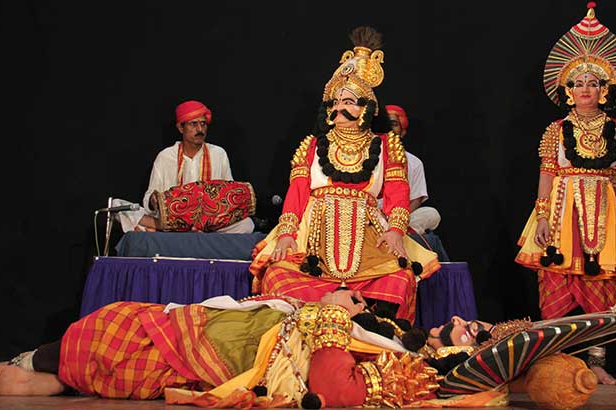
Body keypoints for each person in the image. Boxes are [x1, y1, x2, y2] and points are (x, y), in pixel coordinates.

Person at [514, 2, 616, 385]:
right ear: (568, 91)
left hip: (607, 212)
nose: (585, 88)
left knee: (603, 286)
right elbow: (547, 173)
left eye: (593, 82)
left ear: (604, 90)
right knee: (556, 281)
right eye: (578, 82)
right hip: (562, 209)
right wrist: (545, 216)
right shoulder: (554, 129)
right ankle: (554, 364)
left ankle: (597, 362)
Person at [0, 289, 442, 408]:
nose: (459, 320)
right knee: (118, 319)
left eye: (469, 331)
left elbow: (331, 386)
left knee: (126, 342)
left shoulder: (404, 366)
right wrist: (327, 305)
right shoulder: (385, 335)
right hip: (229, 324)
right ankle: (38, 371)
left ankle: (41, 372)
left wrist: (333, 312)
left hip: (234, 352)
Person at [249, 26, 440, 323]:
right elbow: (298, 192)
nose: (339, 108)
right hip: (313, 239)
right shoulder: (311, 145)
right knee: (276, 276)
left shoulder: (386, 147)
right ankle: (303, 331)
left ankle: (377, 337)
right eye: (336, 102)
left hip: (369, 238)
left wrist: (395, 230)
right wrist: (286, 233)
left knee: (400, 279)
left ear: (366, 109)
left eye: (349, 102)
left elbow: (398, 194)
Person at [115, 100, 255, 233]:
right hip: (173, 220)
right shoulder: (165, 156)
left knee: (247, 224)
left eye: (203, 124)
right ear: (181, 127)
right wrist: (154, 201)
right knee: (116, 206)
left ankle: (159, 232)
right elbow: (149, 198)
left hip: (210, 224)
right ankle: (167, 228)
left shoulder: (218, 154)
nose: (200, 129)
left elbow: (229, 193)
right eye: (193, 124)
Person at [384, 104, 441, 235]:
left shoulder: (414, 163)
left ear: (402, 132)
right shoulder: (366, 157)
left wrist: (398, 220)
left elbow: (417, 199)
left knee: (431, 214)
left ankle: (401, 233)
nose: (388, 128)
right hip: (370, 216)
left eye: (393, 124)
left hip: (399, 218)